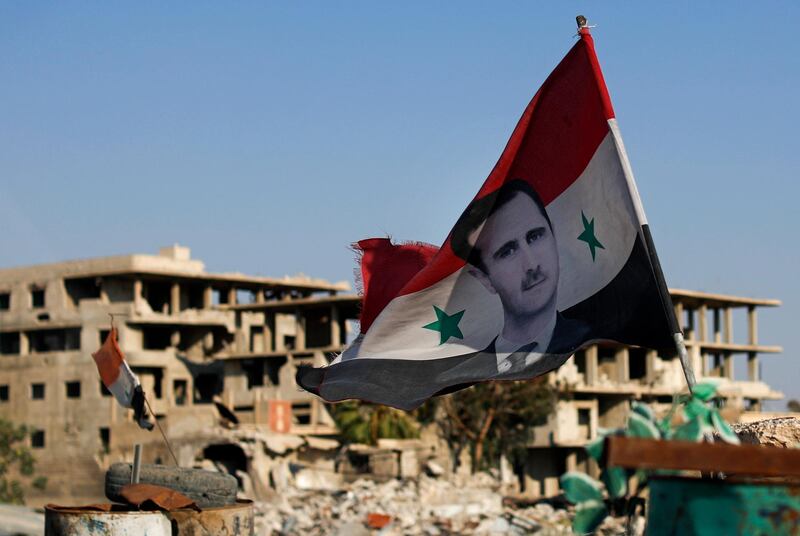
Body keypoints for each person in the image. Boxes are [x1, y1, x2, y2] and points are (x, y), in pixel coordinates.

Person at [448, 179, 589, 378]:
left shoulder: (587, 339)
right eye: (507, 252)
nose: (531, 264)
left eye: (535, 237)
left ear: (554, 236)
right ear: (484, 278)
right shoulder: (465, 374)